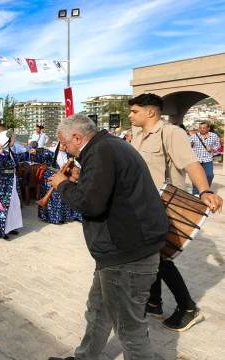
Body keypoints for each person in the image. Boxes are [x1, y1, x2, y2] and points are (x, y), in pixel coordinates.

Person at [47, 114, 169, 360]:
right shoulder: (109, 146)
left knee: (129, 330)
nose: (64, 148)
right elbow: (109, 188)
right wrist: (81, 179)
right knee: (99, 311)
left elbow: (91, 204)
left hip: (127, 256)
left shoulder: (101, 151)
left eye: (64, 143)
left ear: (77, 137)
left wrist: (62, 184)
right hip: (117, 254)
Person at [128, 93, 222, 332]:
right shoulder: (137, 136)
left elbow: (191, 163)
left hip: (163, 205)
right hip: (142, 205)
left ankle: (188, 308)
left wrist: (204, 192)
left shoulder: (172, 133)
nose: (130, 115)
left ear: (151, 112)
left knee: (160, 258)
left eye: (134, 111)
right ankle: (154, 302)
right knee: (152, 256)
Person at [0, 131, 29, 240]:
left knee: (13, 204)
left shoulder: (9, 151)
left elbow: (18, 159)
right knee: (2, 206)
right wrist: (0, 152)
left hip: (12, 181)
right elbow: (0, 164)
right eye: (13, 139)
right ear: (7, 140)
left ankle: (10, 227)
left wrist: (29, 152)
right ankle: (1, 230)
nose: (14, 140)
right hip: (3, 183)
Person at [36, 142, 82, 224]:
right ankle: (50, 217)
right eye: (62, 144)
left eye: (65, 145)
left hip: (63, 177)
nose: (63, 146)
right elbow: (39, 156)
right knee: (52, 198)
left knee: (63, 195)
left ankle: (62, 217)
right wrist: (35, 153)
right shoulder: (50, 152)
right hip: (50, 176)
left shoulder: (68, 155)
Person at [189, 121, 220, 194]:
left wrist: (212, 149)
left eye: (204, 128)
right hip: (196, 160)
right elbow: (187, 146)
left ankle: (205, 190)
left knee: (210, 175)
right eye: (200, 128)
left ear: (208, 128)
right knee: (196, 177)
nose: (202, 129)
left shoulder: (214, 136)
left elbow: (217, 145)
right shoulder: (194, 136)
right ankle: (196, 194)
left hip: (208, 159)